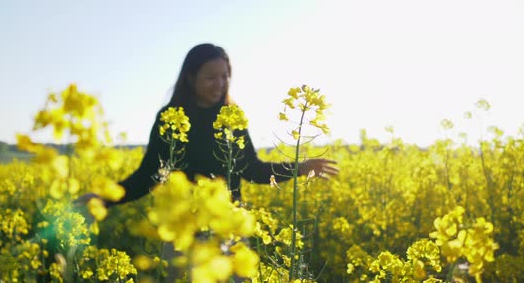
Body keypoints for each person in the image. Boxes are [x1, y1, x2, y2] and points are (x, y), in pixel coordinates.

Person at [76, 43, 338, 208]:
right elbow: (147, 176)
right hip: (183, 229)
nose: (220, 84)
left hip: (228, 227)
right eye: (211, 77)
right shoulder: (169, 117)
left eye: (225, 76)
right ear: (190, 77)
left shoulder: (232, 116)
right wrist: (103, 198)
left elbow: (252, 169)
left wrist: (300, 168)